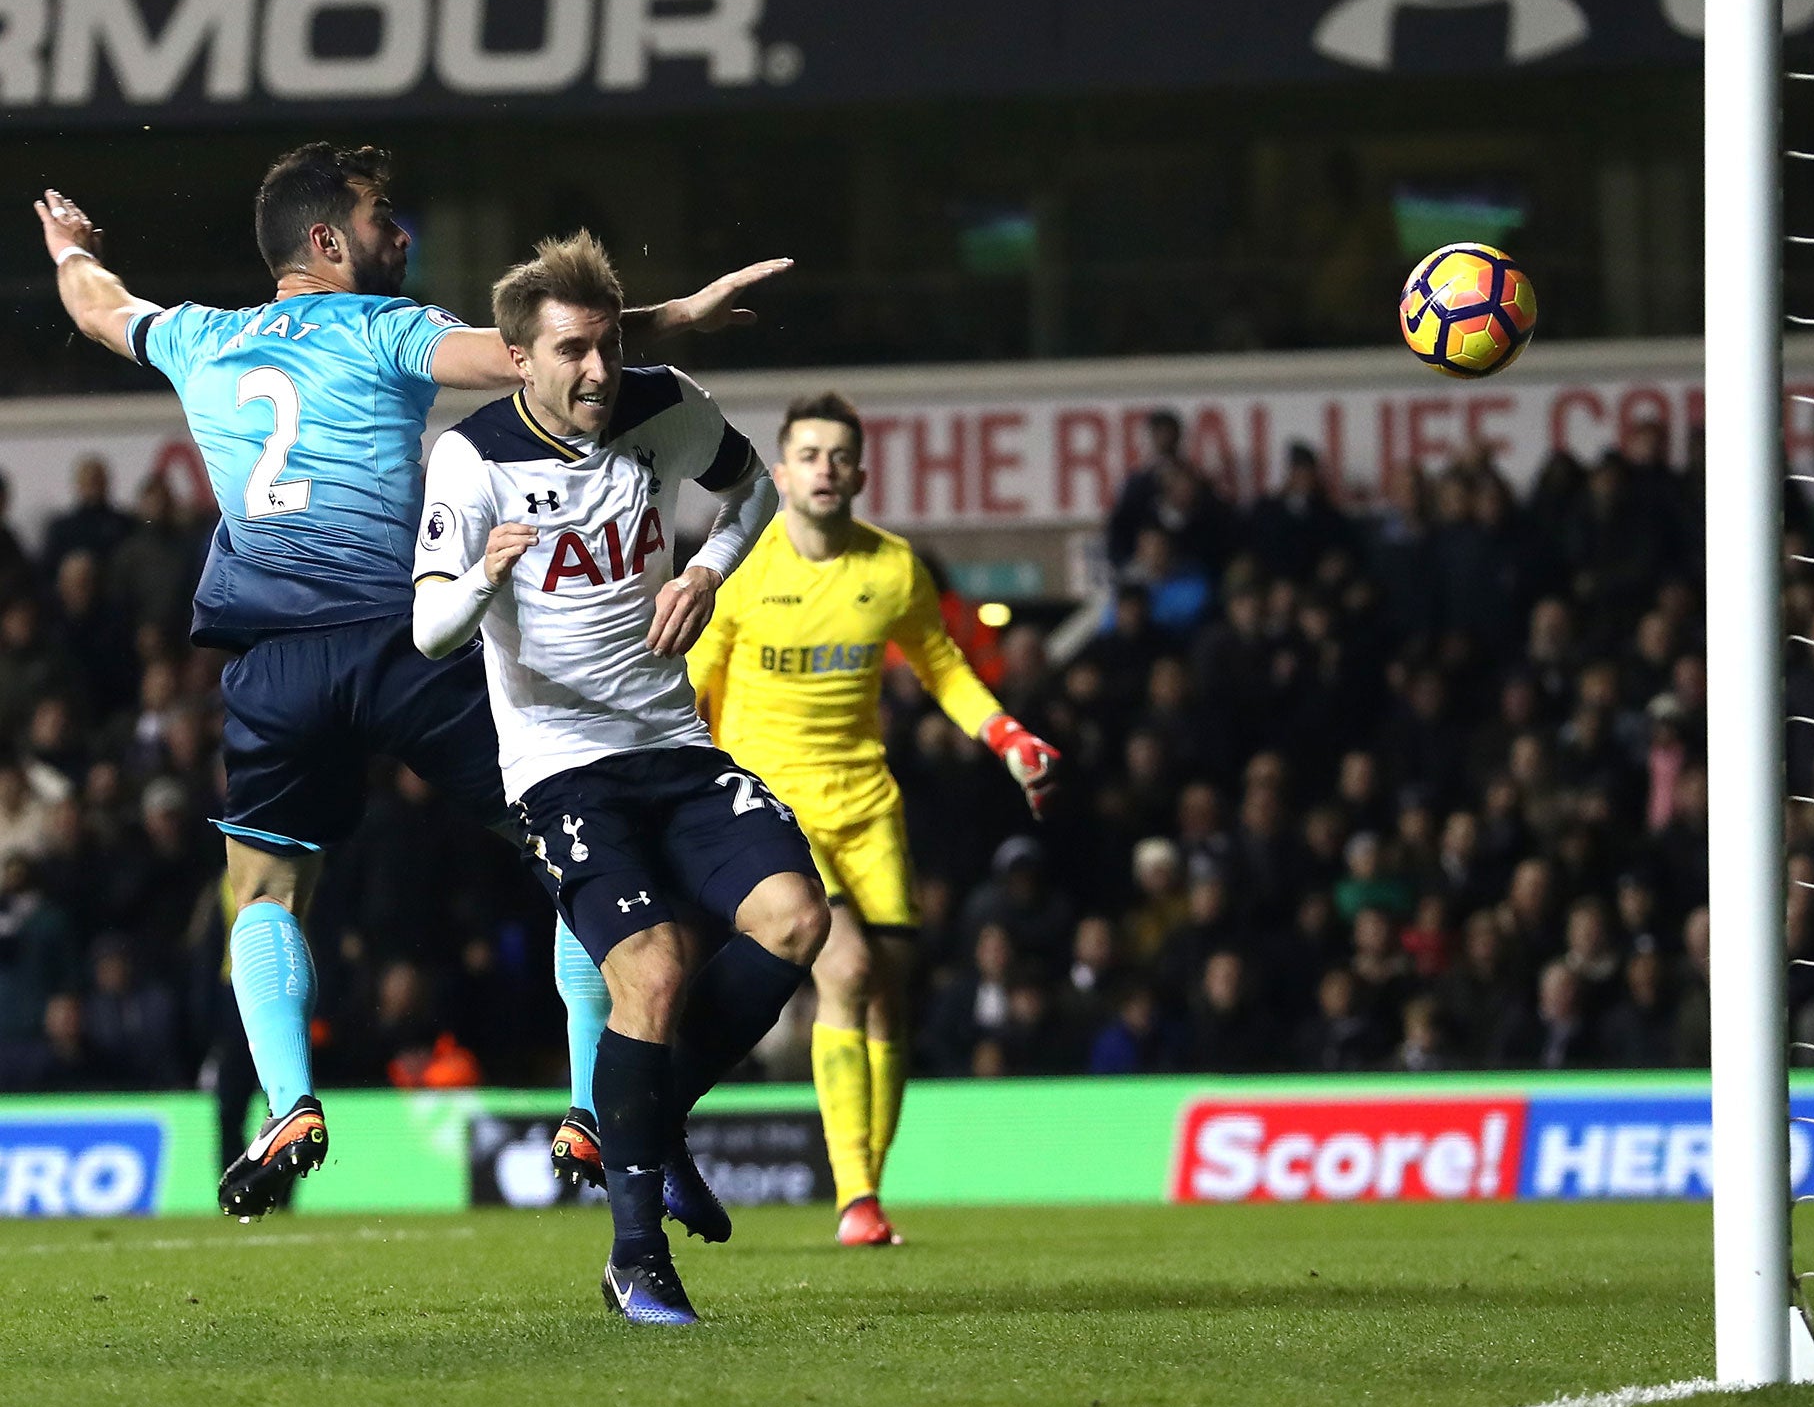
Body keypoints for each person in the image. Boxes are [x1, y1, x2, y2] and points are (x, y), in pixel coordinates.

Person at [35, 151, 785, 1220]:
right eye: (383, 219)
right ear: (327, 243)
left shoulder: (200, 336)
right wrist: (684, 316)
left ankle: (288, 1101)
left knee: (262, 888)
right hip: (411, 641)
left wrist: (70, 249)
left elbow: (101, 308)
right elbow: (541, 357)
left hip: (274, 668)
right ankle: (588, 1106)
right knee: (572, 842)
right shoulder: (387, 331)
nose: (404, 235)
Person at [414, 230, 824, 1324]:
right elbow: (426, 630)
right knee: (648, 969)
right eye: (573, 354)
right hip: (559, 769)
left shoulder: (663, 402)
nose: (598, 373)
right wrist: (481, 580)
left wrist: (704, 569)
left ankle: (652, 1113)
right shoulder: (472, 458)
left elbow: (753, 495)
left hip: (674, 748)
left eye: (604, 346)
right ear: (518, 358)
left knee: (794, 919)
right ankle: (635, 1256)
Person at [687, 390, 1059, 1246]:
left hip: (867, 809)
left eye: (837, 455)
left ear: (858, 471)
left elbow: (942, 666)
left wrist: (1007, 737)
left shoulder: (891, 567)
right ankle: (854, 1198)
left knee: (890, 1000)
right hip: (771, 812)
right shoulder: (739, 569)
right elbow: (692, 692)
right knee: (845, 972)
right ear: (780, 474)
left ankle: (868, 1189)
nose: (823, 468)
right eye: (807, 455)